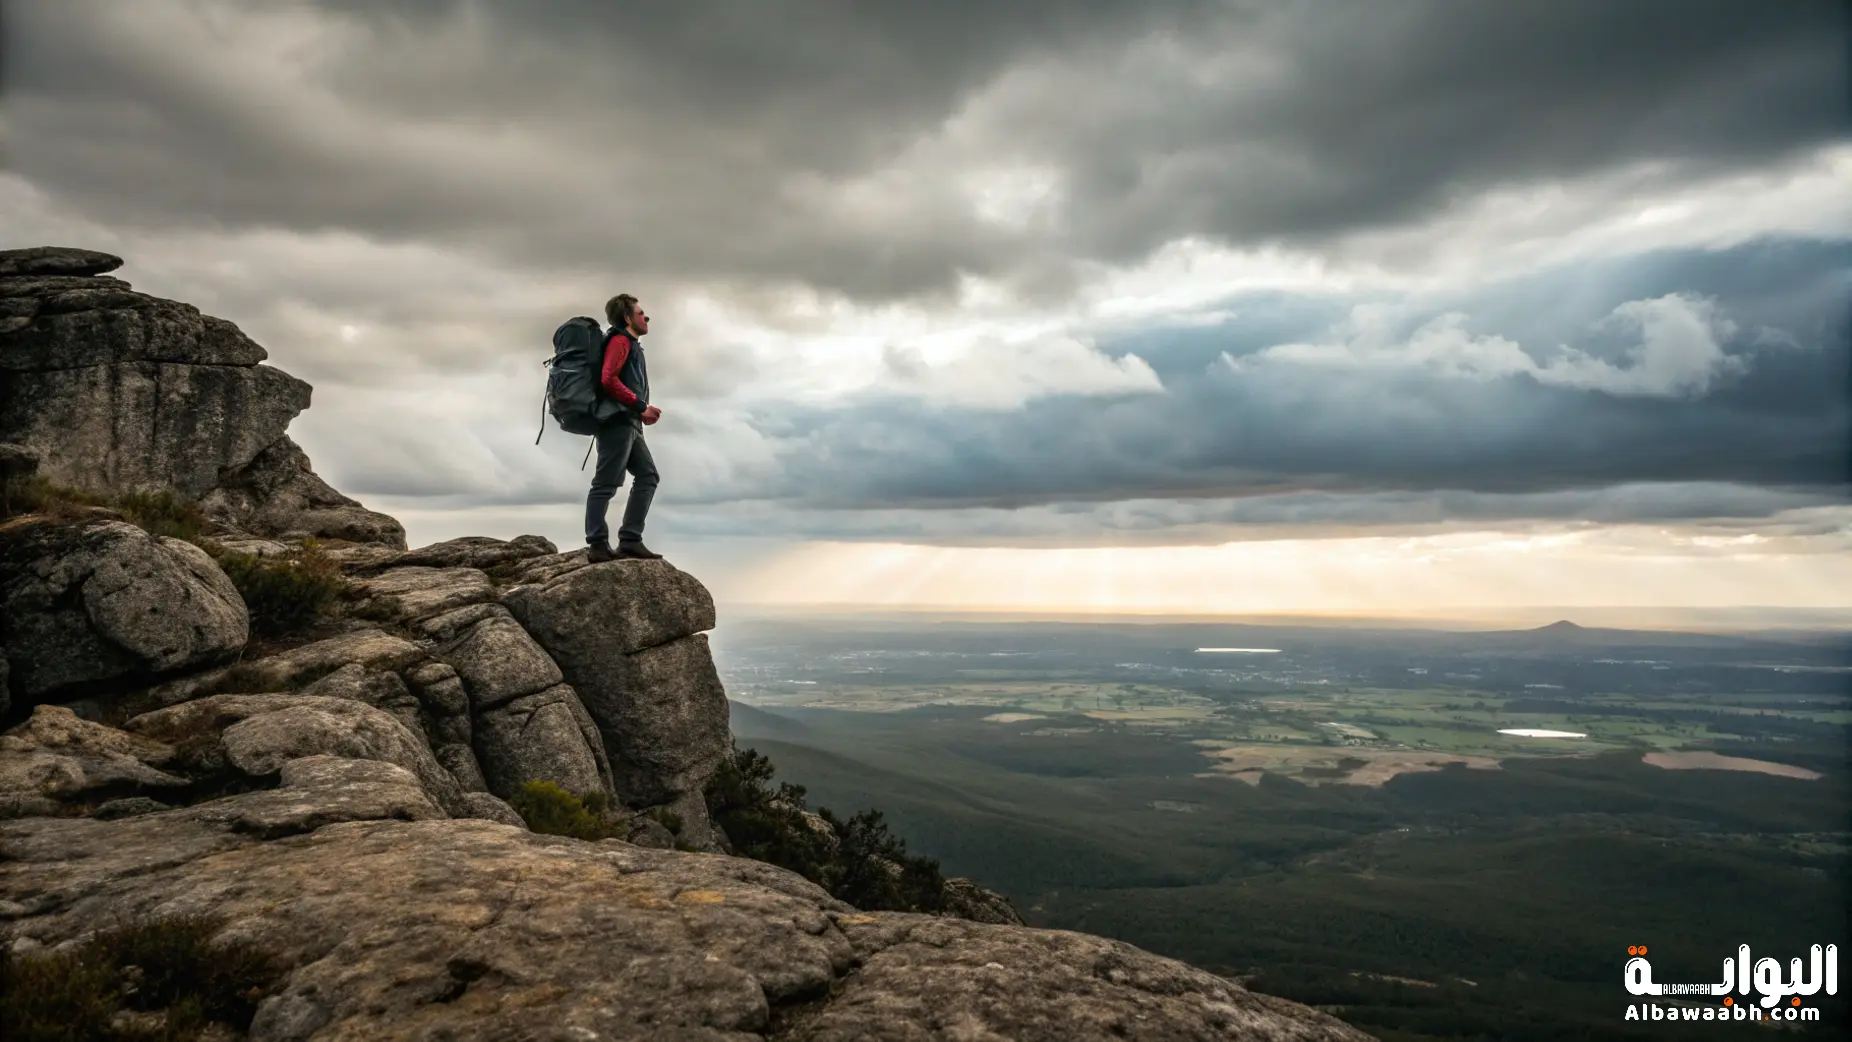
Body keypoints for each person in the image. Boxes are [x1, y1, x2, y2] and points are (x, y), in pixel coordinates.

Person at [584, 293, 663, 562]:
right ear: (628, 318)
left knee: (648, 476)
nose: (646, 317)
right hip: (616, 421)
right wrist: (641, 406)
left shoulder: (631, 344)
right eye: (642, 313)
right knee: (605, 484)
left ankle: (630, 539)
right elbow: (608, 379)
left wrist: (639, 412)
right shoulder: (620, 340)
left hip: (628, 422)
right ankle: (596, 544)